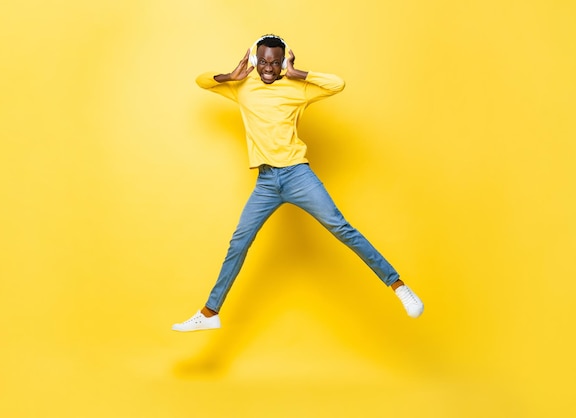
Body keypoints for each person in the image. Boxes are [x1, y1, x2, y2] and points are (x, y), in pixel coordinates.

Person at [172, 34, 423, 332]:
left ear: (283, 62)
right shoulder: (241, 87)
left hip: (297, 175)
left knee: (341, 227)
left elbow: (336, 84)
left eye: (275, 63)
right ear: (254, 60)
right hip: (266, 182)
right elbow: (202, 81)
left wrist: (297, 73)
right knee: (239, 242)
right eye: (263, 62)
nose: (268, 68)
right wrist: (230, 75)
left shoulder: (297, 88)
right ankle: (210, 312)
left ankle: (398, 285)